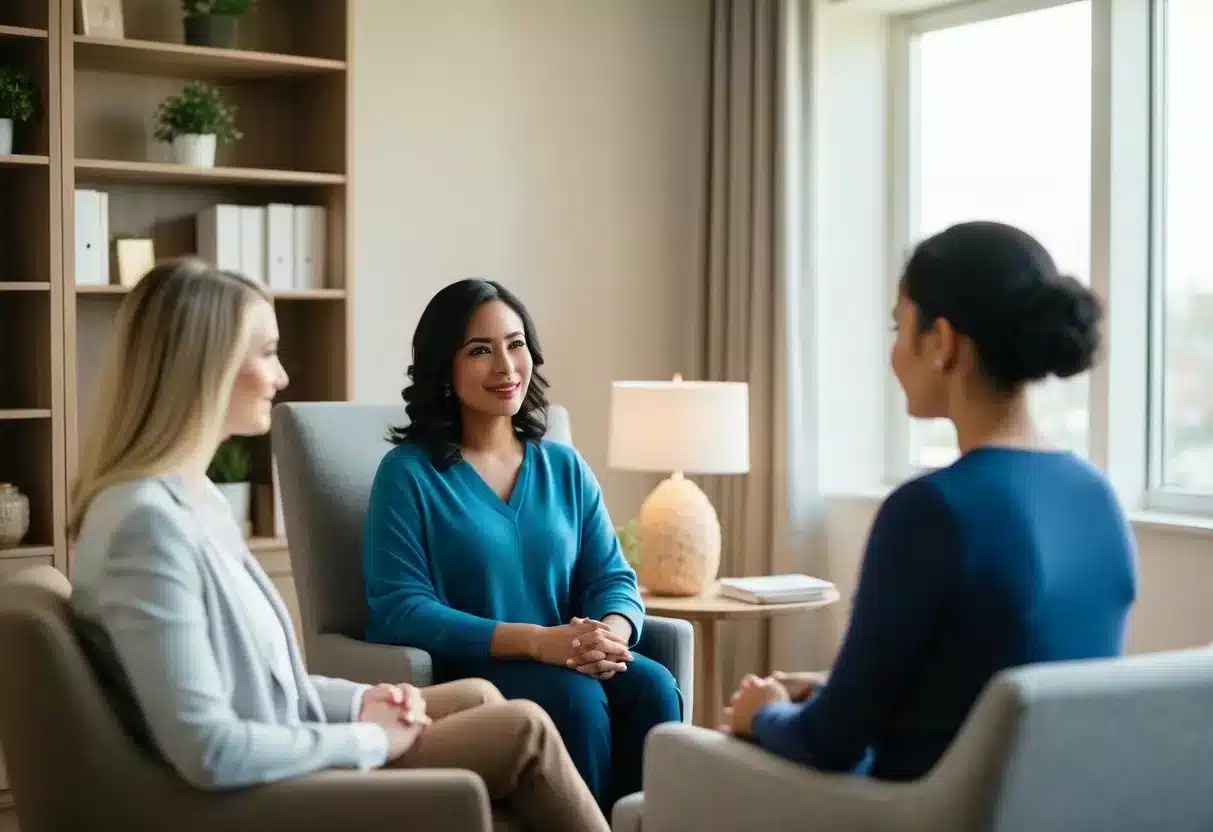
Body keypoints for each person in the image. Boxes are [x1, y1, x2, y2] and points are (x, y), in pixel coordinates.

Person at [67, 258, 608, 832]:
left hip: (281, 748)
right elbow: (209, 749)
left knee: (477, 695)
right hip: (260, 792)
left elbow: (271, 686)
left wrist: (362, 702)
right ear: (206, 365)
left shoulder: (193, 501)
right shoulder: (146, 527)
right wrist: (370, 737)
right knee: (524, 729)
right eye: (266, 353)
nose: (281, 377)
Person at [724, 220, 1138, 780]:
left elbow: (828, 744)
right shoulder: (1097, 497)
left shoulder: (930, 511)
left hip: (914, 811)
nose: (894, 354)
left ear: (942, 341)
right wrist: (829, 688)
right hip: (1049, 805)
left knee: (687, 751)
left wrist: (762, 712)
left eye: (899, 327)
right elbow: (985, 687)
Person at [362, 278, 683, 811]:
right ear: (444, 367)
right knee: (577, 700)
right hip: (476, 669)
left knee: (653, 686)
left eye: (515, 344)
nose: (506, 366)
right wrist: (537, 642)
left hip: (568, 658)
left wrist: (606, 637)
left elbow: (612, 578)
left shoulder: (563, 466)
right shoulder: (407, 474)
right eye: (480, 350)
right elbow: (400, 609)